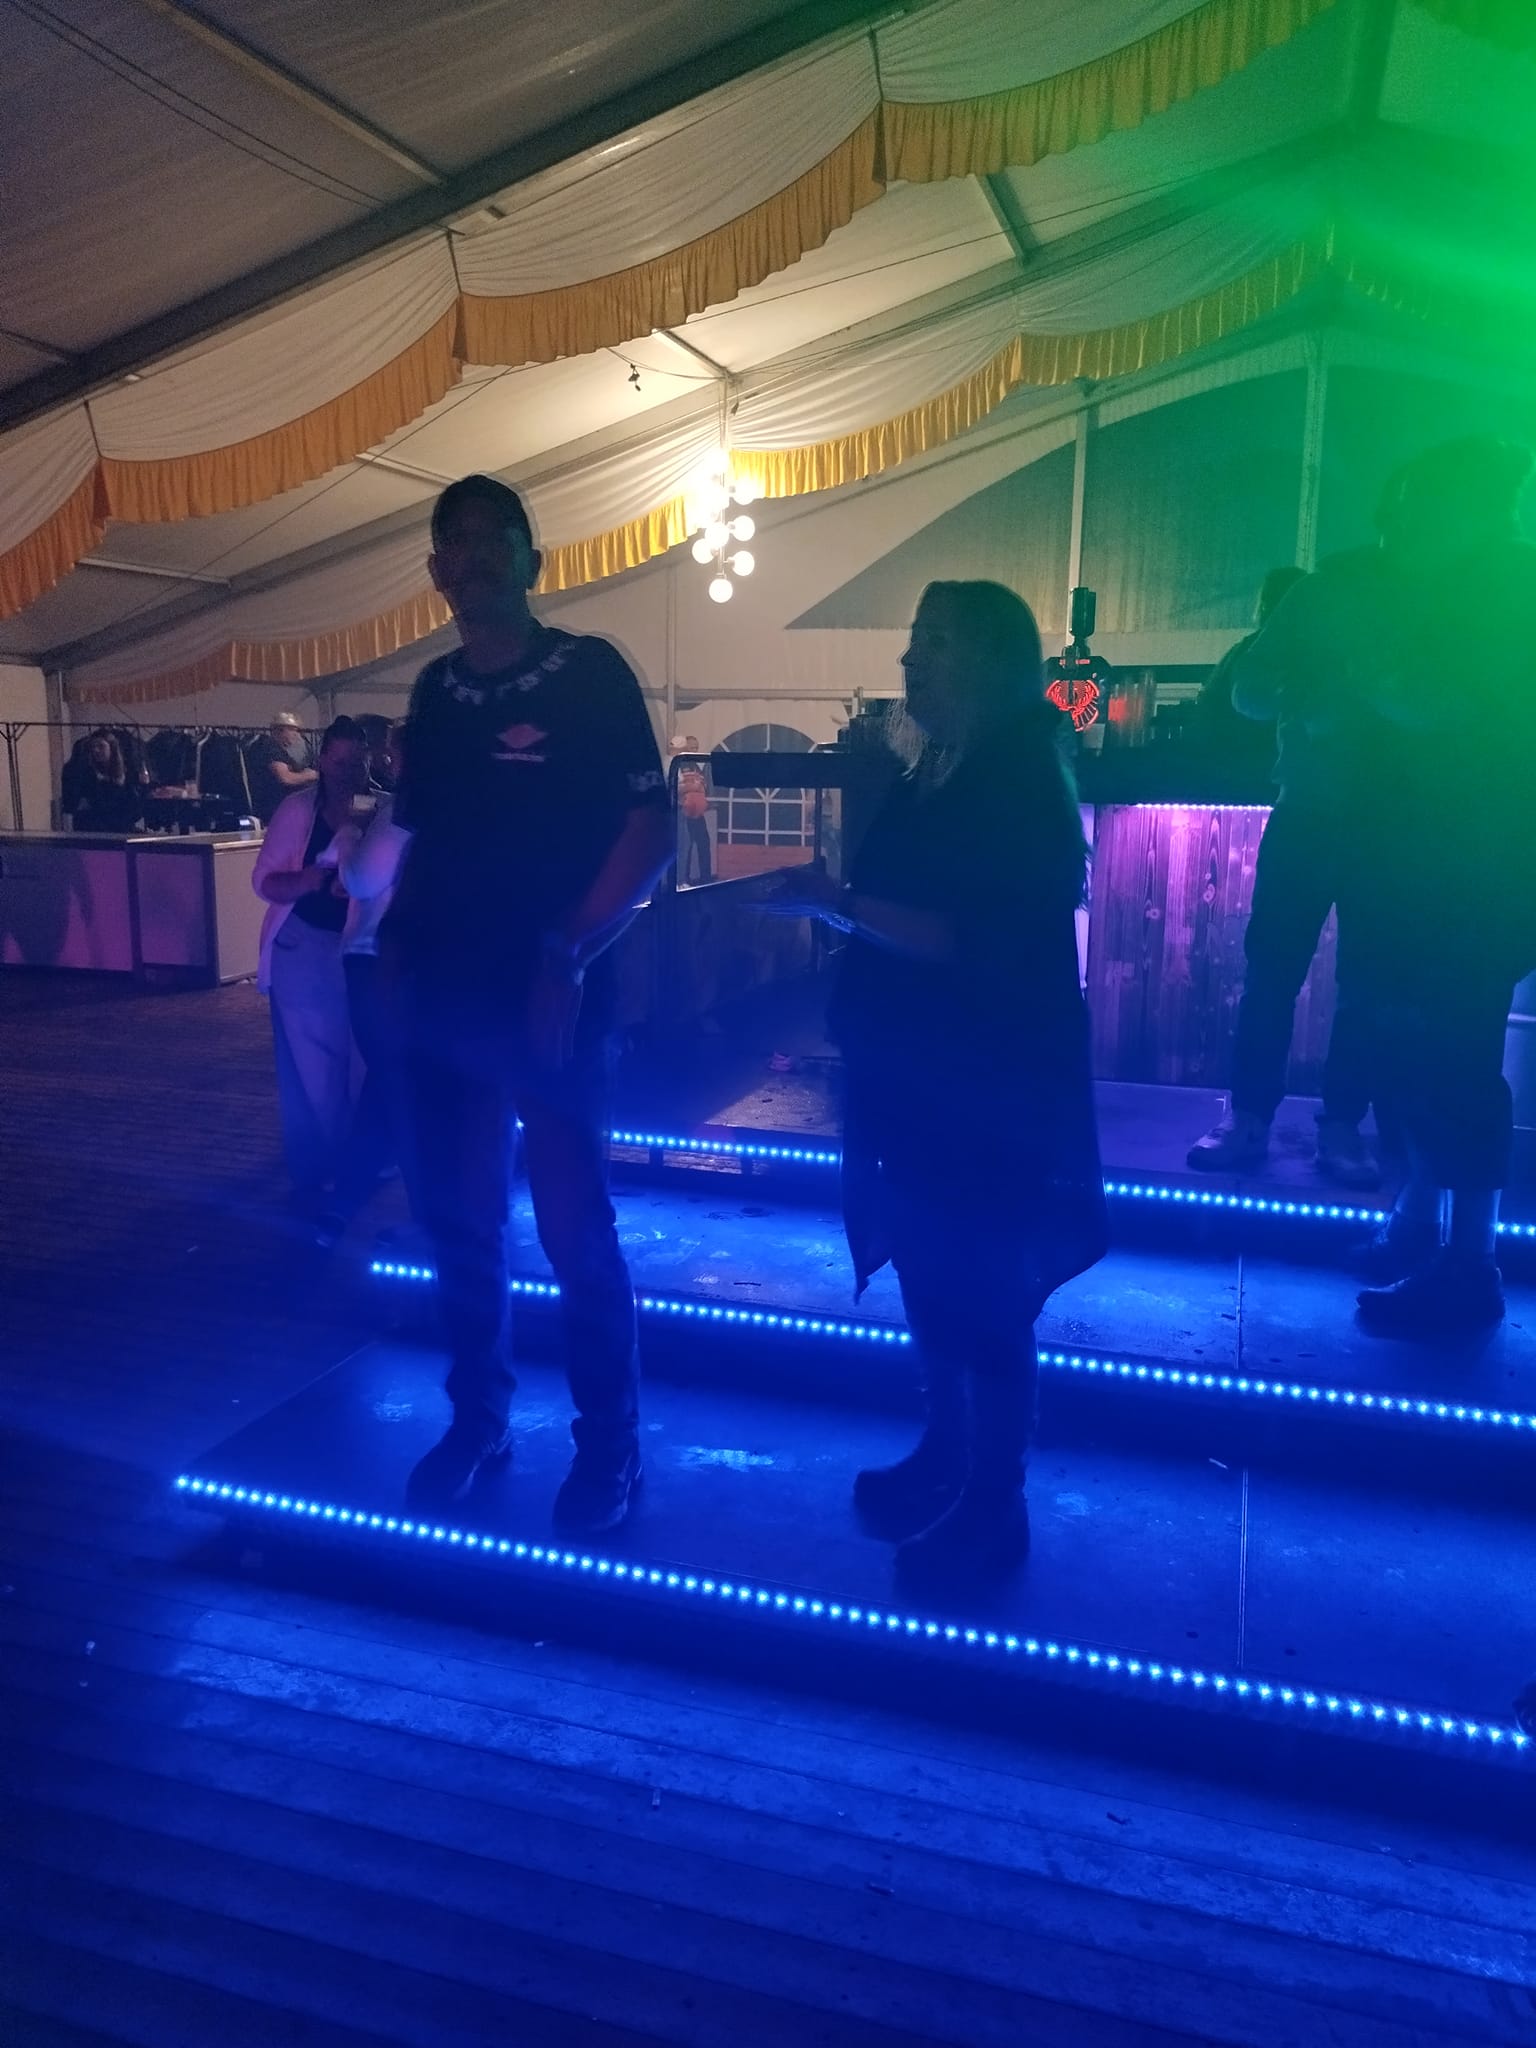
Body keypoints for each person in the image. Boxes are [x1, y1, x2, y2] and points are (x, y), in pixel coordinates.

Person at [760, 581, 1108, 1590]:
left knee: (983, 1286)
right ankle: (948, 1448)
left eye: (935, 643)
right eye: (914, 639)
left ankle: (996, 1502)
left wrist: (837, 902)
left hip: (984, 1080)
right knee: (929, 1264)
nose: (911, 659)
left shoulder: (1017, 774)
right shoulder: (944, 764)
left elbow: (966, 936)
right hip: (922, 1072)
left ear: (993, 662)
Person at [383, 474, 673, 1531]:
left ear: (530, 557)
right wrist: (393, 951)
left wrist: (569, 949)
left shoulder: (589, 673)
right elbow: (419, 839)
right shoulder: (435, 690)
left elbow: (651, 833)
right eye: (451, 545)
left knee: (573, 1228)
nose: (470, 559)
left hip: (554, 995)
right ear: (435, 571)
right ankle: (480, 1418)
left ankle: (611, 1443)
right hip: (447, 995)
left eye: (489, 539)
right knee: (459, 1219)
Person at [1270, 436, 1536, 1335]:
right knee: (1422, 1060)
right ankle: (1424, 1230)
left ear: (1469, 506)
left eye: (1417, 503)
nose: (1398, 521)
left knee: (1452, 1067)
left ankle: (1469, 1268)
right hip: (1432, 866)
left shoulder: (1504, 589)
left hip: (1477, 871)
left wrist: (1351, 670)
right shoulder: (1469, 583)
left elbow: (1439, 706)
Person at [1186, 557, 1381, 1190]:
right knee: (1325, 979)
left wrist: (1316, 693)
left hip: (1332, 811)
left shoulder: (1323, 592)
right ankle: (1334, 1127)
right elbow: (1247, 690)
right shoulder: (1336, 592)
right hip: (1367, 818)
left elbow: (1246, 693)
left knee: (1288, 976)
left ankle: (1255, 1121)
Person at [252, 717, 370, 1208]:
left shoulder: (382, 810)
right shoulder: (298, 810)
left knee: (365, 1061)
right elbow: (263, 882)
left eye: (358, 762)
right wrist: (312, 879)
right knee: (313, 1068)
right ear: (321, 762)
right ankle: (321, 1165)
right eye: (339, 762)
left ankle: (360, 1158)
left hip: (363, 954)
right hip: (303, 947)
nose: (348, 772)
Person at [326, 721, 416, 1240]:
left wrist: (348, 836)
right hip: (424, 960)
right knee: (392, 1076)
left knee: (389, 1078)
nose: (385, 762)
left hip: (375, 956)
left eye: (391, 754)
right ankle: (352, 1193)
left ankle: (347, 1200)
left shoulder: (401, 809)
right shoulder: (460, 807)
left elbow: (362, 879)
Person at [61, 730, 143, 833]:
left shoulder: (128, 772)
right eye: (93, 747)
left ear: (112, 748)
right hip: (95, 830)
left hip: (122, 828)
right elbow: (84, 805)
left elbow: (135, 808)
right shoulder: (86, 773)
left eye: (101, 746)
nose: (96, 750)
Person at [248, 711, 318, 825]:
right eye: (292, 730)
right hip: (275, 811)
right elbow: (285, 778)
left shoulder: (284, 751)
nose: (296, 735)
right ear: (279, 731)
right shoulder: (270, 748)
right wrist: (311, 775)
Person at [676, 742, 712, 883]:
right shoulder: (678, 764)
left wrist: (699, 788)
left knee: (704, 844)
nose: (695, 751)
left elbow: (703, 786)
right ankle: (683, 880)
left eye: (696, 747)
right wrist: (693, 786)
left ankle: (706, 878)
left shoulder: (696, 766)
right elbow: (678, 787)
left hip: (698, 813)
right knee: (686, 846)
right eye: (692, 748)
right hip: (685, 812)